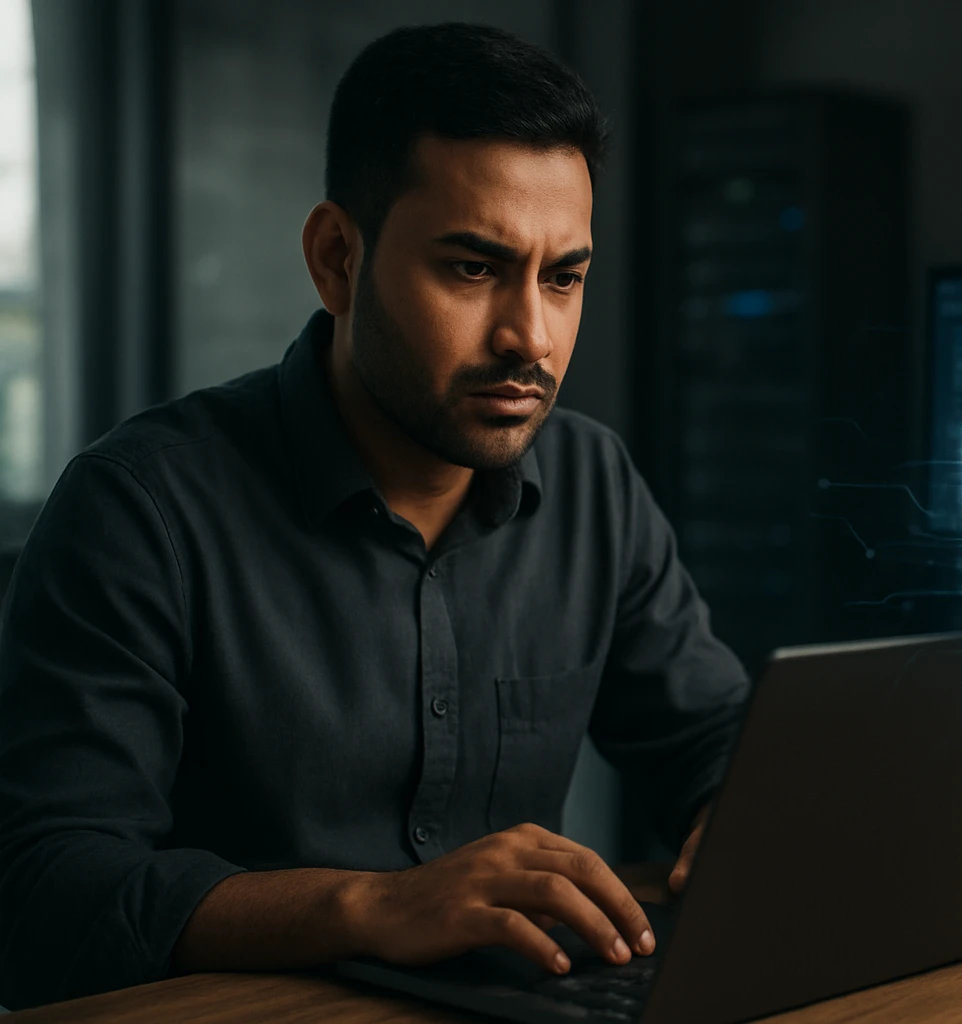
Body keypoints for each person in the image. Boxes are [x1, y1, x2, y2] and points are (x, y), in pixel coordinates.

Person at [0, 22, 750, 1011]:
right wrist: (370, 905)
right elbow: (43, 895)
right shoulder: (139, 508)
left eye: (562, 276)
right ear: (336, 258)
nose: (531, 334)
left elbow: (715, 746)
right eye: (474, 268)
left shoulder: (593, 483)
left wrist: (740, 822)